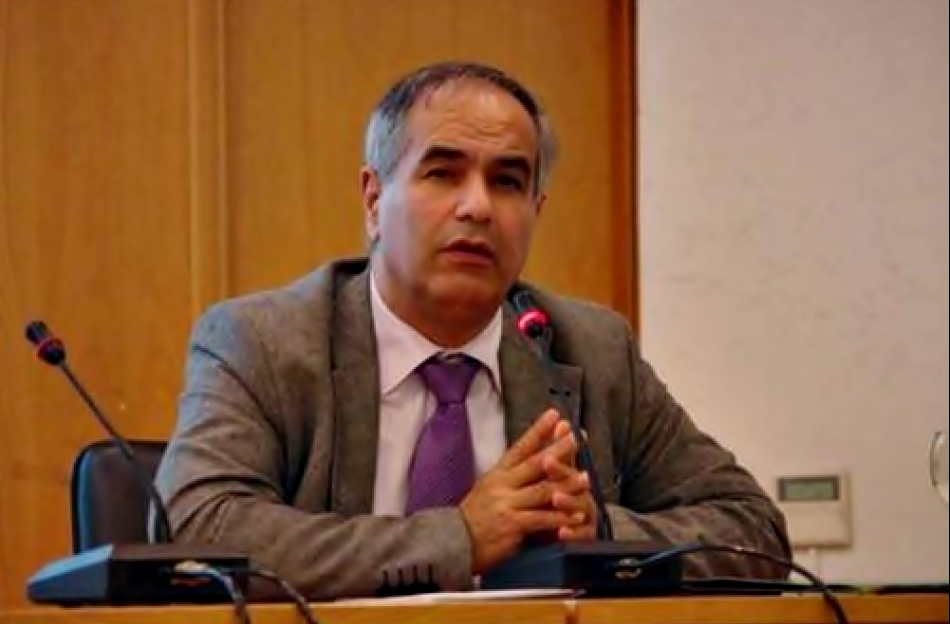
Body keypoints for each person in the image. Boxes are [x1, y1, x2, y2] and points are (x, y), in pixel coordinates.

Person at [154, 61, 791, 600]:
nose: (478, 206)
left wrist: (598, 533)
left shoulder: (590, 350)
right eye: (443, 173)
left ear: (535, 210)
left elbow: (752, 530)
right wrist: (461, 538)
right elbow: (196, 532)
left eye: (507, 182)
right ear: (374, 201)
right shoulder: (264, 341)